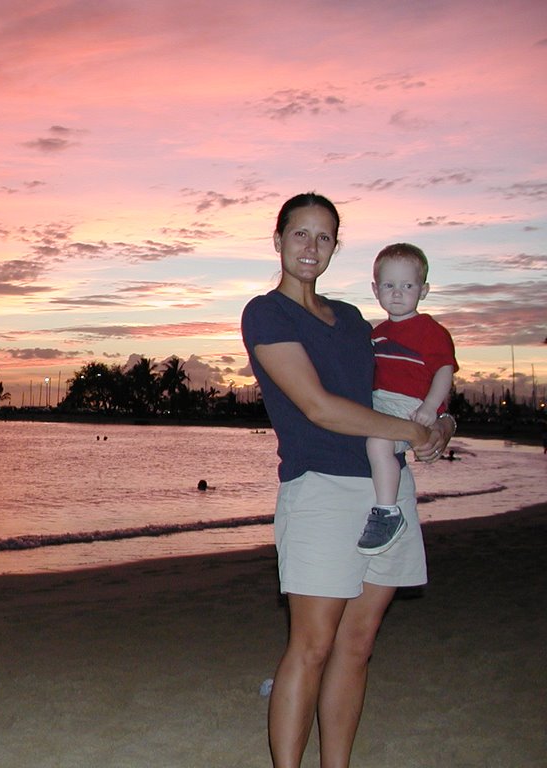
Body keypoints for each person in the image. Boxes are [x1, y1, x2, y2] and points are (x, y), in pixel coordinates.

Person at [240, 192, 455, 768]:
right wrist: (408, 434)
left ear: (336, 246)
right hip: (321, 490)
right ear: (279, 239)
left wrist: (439, 421)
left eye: (324, 237)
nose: (311, 247)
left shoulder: (357, 320)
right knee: (311, 646)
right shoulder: (267, 314)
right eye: (300, 234)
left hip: (387, 491)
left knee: (356, 647)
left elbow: (400, 390)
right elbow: (319, 407)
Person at [358, 244, 458, 555]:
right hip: (381, 400)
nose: (397, 293)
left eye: (407, 286)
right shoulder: (377, 333)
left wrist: (431, 408)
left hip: (409, 403)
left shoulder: (430, 330)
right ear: (376, 290)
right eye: (389, 286)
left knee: (378, 442)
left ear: (424, 290)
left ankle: (387, 511)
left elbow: (444, 371)